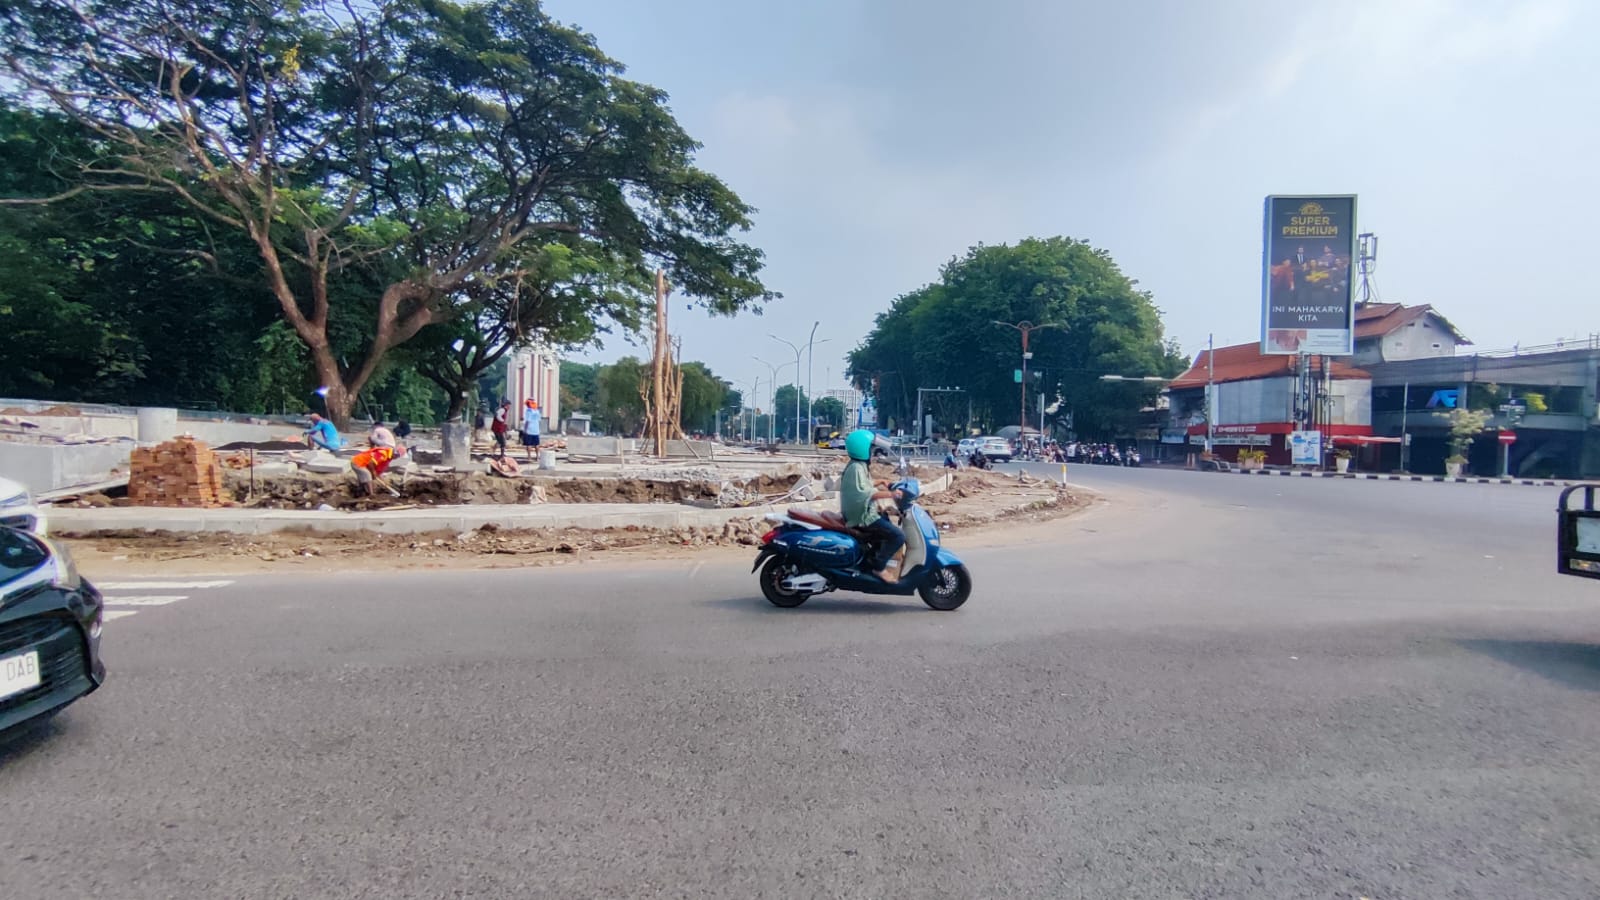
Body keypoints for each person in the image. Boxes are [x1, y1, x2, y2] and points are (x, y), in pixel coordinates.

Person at [841, 430, 904, 581]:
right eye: (870, 448)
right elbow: (867, 493)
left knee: (885, 519)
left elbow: (865, 485)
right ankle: (879, 567)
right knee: (898, 536)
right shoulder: (856, 468)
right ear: (862, 449)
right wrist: (892, 494)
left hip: (861, 511)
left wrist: (881, 481)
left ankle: (871, 559)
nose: (872, 452)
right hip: (861, 516)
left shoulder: (858, 465)